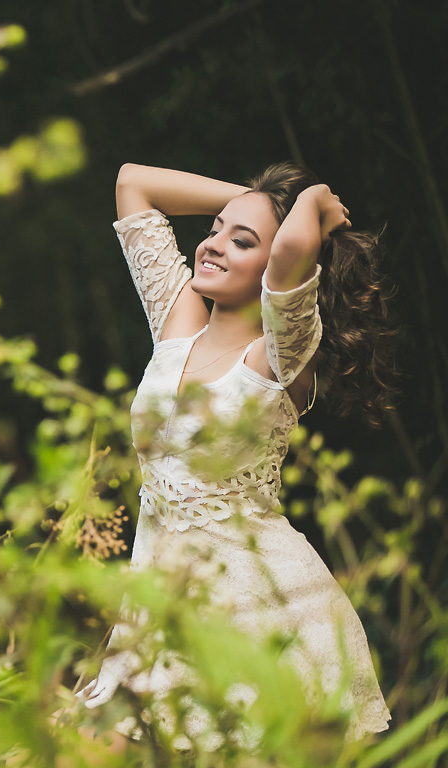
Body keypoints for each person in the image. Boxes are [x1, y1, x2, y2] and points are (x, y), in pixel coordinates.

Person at [79, 162, 394, 745]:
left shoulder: (282, 355)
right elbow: (132, 183)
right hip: (163, 608)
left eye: (241, 241)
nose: (213, 244)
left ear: (276, 269)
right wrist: (254, 204)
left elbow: (295, 245)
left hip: (267, 614)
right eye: (216, 229)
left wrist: (317, 201)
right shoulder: (177, 328)